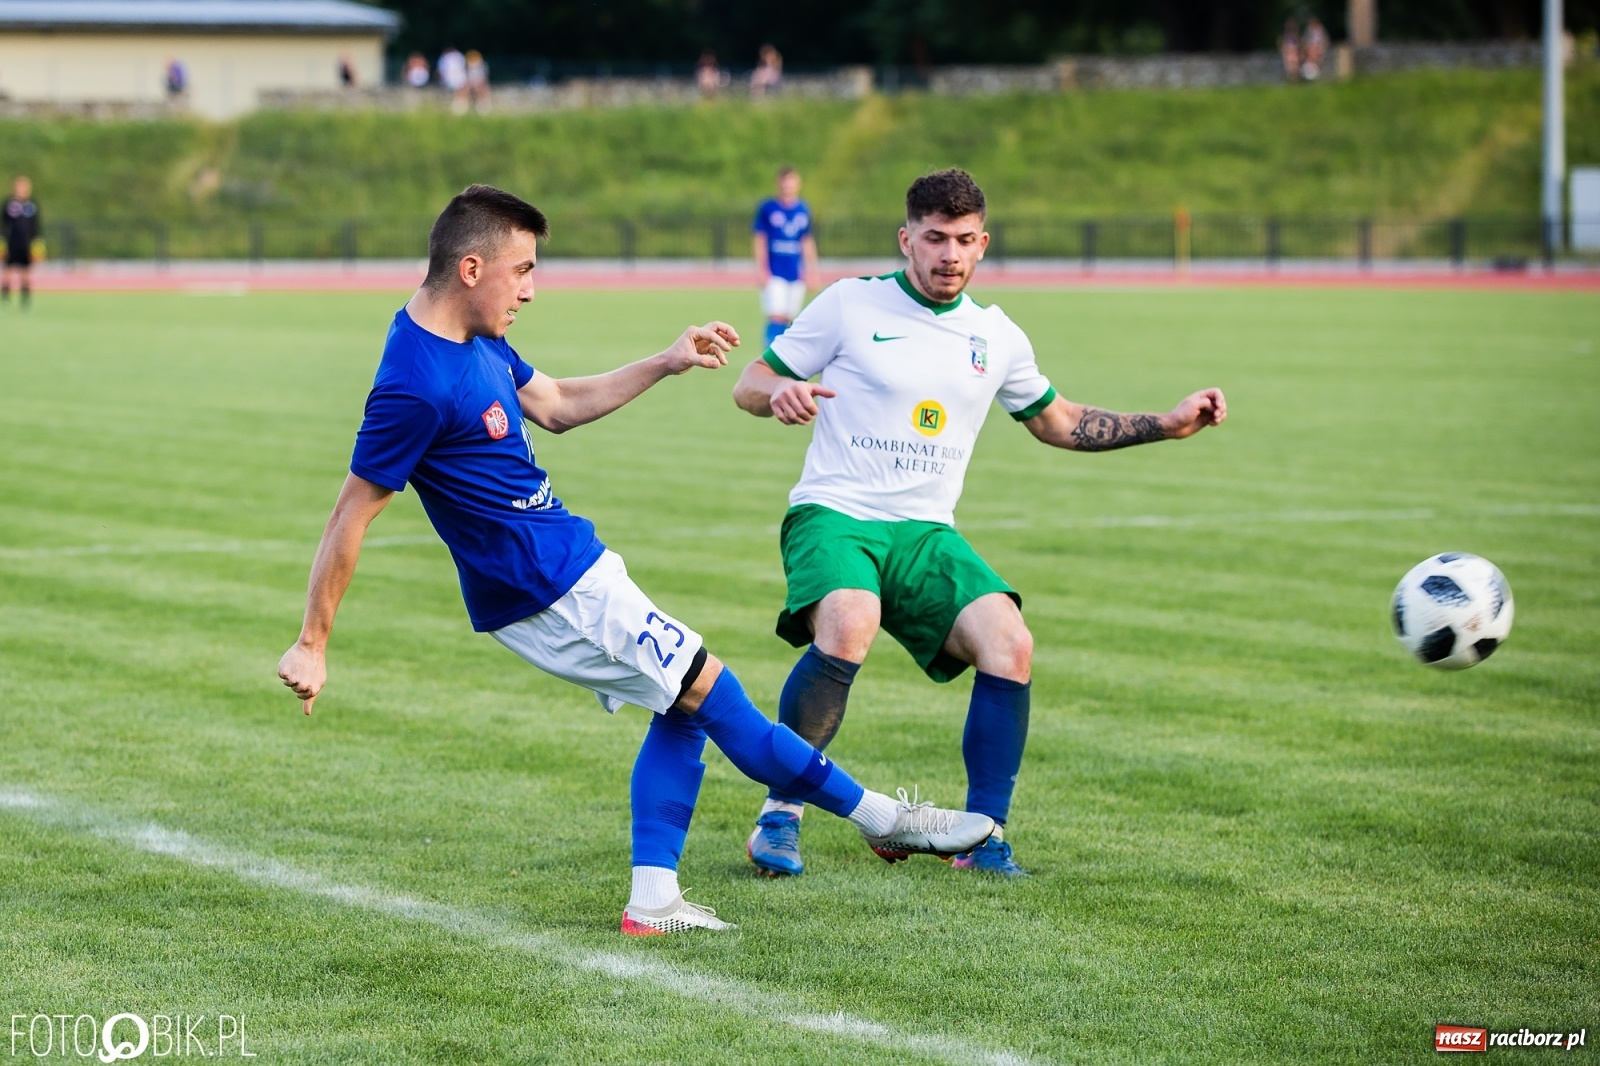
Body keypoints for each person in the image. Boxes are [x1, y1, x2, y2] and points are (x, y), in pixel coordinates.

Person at [275, 184, 995, 936]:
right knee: (715, 695)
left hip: (571, 568)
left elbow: (556, 404)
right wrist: (313, 642)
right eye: (521, 270)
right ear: (471, 269)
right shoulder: (415, 382)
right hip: (549, 591)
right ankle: (885, 817)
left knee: (680, 705)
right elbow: (351, 511)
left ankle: (654, 901)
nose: (530, 288)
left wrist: (668, 360)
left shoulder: (476, 337)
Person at [731, 169, 1227, 878]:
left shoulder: (995, 336)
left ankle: (984, 837)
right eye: (934, 239)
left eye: (964, 240)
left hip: (927, 532)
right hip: (837, 512)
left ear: (983, 244)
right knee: (849, 623)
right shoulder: (848, 304)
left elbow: (1059, 422)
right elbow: (749, 380)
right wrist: (779, 390)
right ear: (906, 239)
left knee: (1010, 642)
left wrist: (1168, 424)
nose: (949, 255)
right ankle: (780, 815)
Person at [752, 167, 818, 347]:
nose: (787, 187)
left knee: (789, 318)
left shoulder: (803, 209)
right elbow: (760, 239)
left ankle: (781, 359)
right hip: (774, 271)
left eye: (791, 183)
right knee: (776, 314)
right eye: (784, 183)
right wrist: (761, 269)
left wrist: (812, 271)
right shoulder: (768, 208)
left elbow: (806, 241)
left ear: (798, 184)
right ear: (778, 184)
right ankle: (769, 358)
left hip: (795, 272)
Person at [2, 175, 40, 309]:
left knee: (26, 273)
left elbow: (36, 227)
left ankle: (25, 301)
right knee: (8, 271)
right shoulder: (9, 204)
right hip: (11, 243)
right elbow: (3, 225)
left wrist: (37, 245)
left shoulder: (32, 205)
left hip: (27, 245)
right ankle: (5, 300)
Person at [438, 47, 467, 112]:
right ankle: (459, 105)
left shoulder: (457, 56)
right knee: (462, 86)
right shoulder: (445, 58)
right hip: (449, 79)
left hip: (456, 78)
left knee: (463, 86)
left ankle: (460, 104)